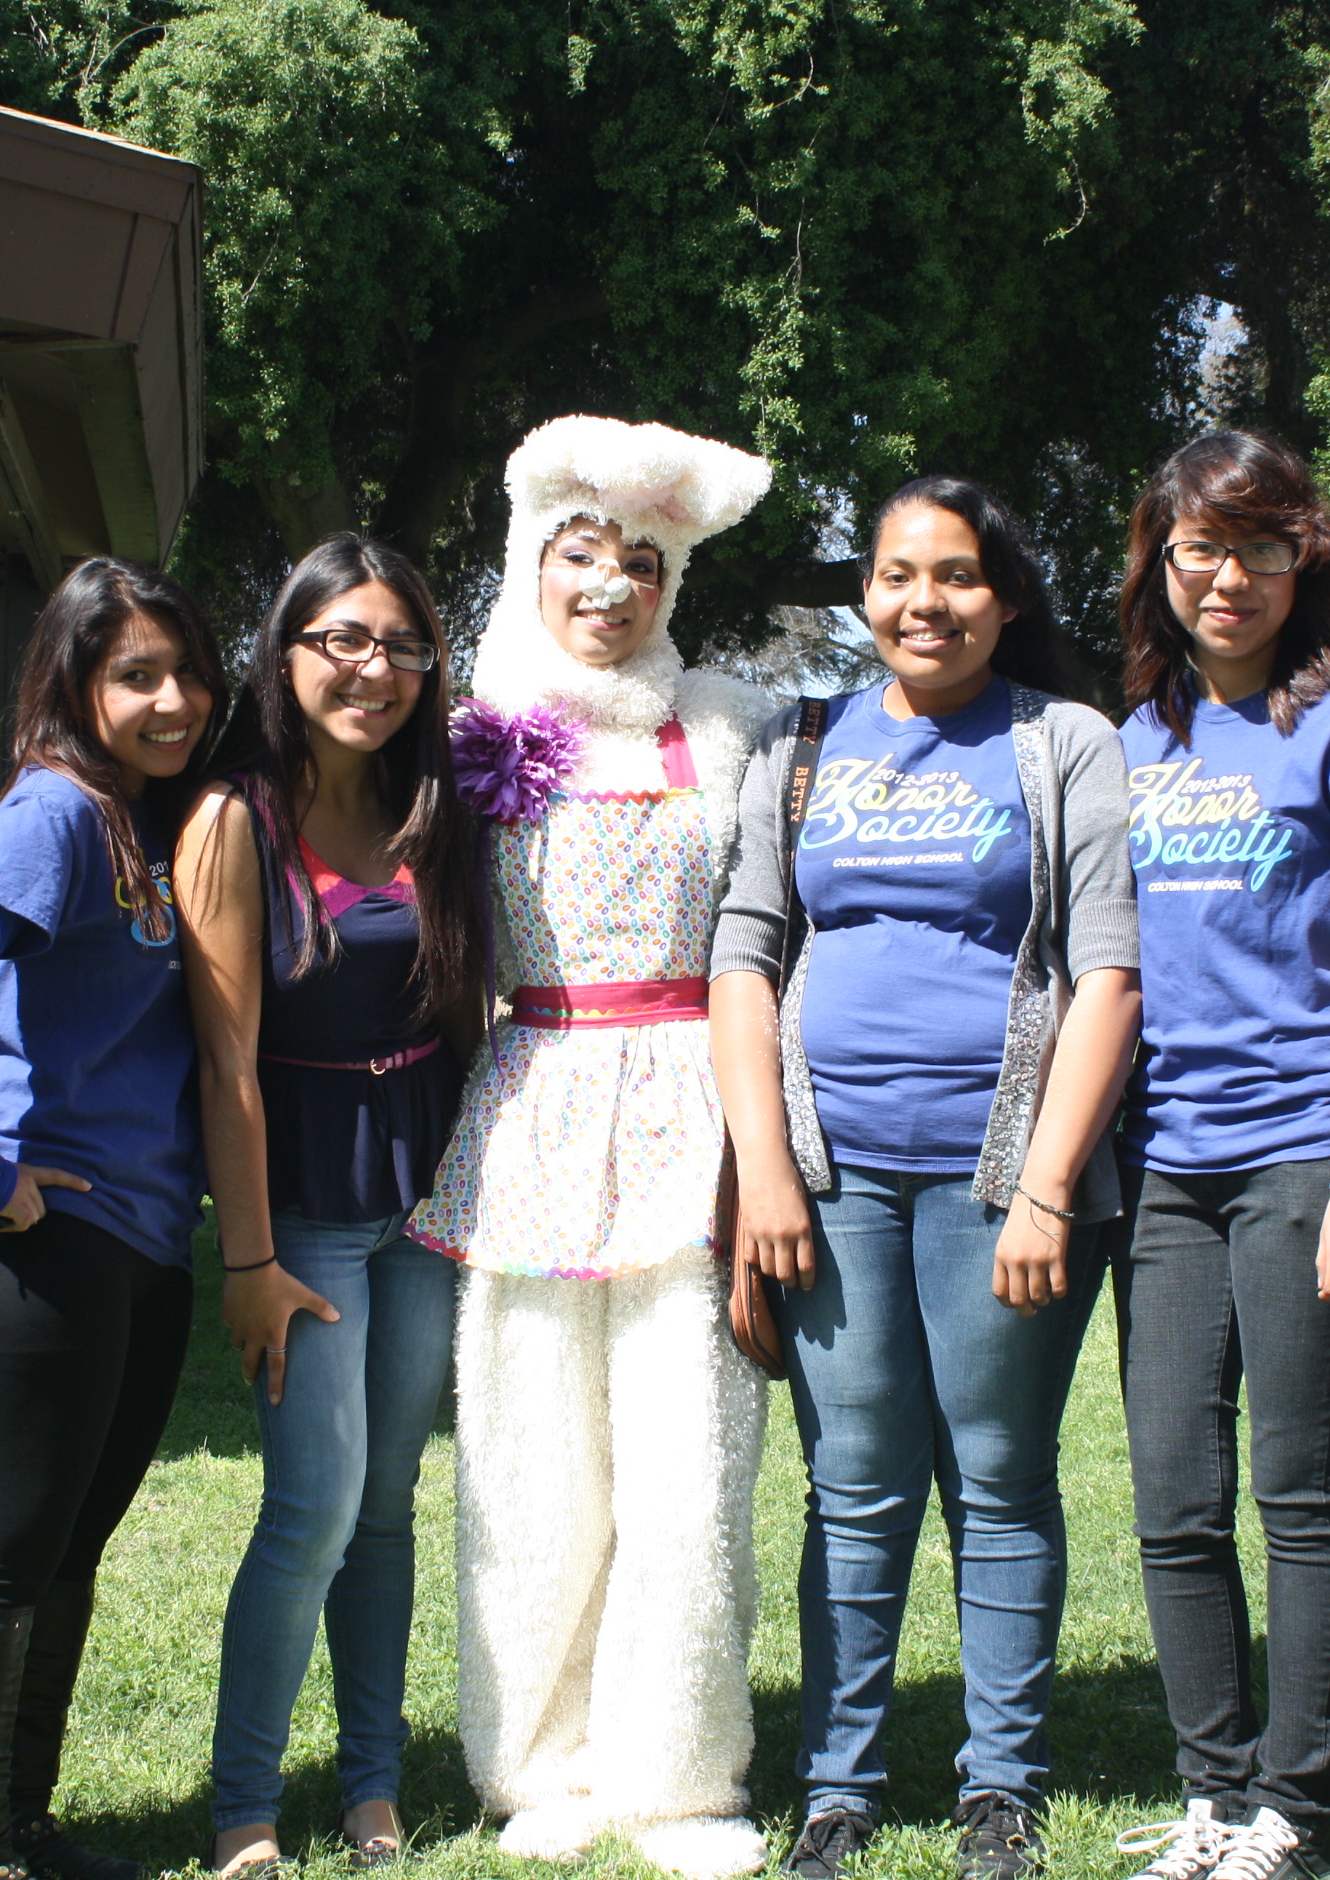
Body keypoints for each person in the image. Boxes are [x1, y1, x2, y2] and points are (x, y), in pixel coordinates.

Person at [710, 475, 1141, 1880]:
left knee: (1004, 1479)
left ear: (1004, 597)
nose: (923, 603)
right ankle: (838, 1787)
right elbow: (744, 957)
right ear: (867, 595)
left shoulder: (1062, 741)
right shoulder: (801, 742)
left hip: (994, 1179)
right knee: (855, 1480)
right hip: (833, 1181)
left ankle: (999, 1785)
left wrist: (1046, 1188)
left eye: (956, 576)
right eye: (897, 575)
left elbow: (1107, 973)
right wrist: (764, 1169)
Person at [403, 415, 779, 1879]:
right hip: (537, 1109)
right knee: (529, 1462)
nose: (610, 588)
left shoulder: (735, 724)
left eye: (643, 563)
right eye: (580, 556)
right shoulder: (464, 730)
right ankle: (534, 1767)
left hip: (700, 1109)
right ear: (529, 560)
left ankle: (682, 1781)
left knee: (693, 1467)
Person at [1099, 432, 1330, 1880]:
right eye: (1199, 551)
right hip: (1163, 1166)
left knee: (1301, 1490)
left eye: (1262, 549)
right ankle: (1213, 1797)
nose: (1229, 580)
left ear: (1309, 562)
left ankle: (1294, 1809)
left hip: (1304, 1152)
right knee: (1172, 1494)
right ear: (1158, 566)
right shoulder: (1127, 741)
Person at [0, 558, 228, 1880]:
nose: (174, 699)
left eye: (187, 671)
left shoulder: (147, 820)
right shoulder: (59, 809)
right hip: (41, 1245)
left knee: (68, 1549)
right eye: (137, 674)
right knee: (1, 1559)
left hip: (140, 1244)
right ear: (76, 685)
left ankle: (18, 1826)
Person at [178, 534, 484, 1873]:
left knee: (389, 1502)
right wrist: (248, 1262)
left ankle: (370, 1788)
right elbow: (224, 1064)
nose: (376, 668)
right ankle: (245, 1805)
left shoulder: (437, 808)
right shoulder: (230, 818)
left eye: (404, 645)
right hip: (299, 1215)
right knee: (310, 1508)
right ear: (286, 650)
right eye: (347, 640)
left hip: (421, 1204)